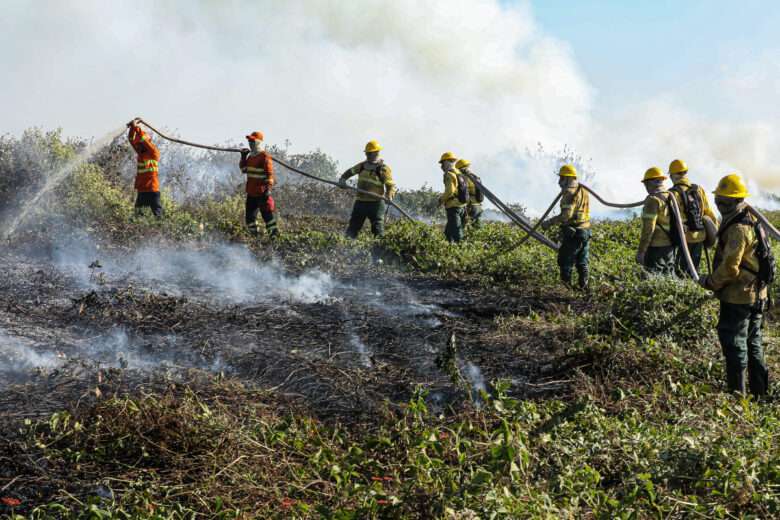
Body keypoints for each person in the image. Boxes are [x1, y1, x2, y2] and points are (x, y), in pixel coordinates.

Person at [698, 174, 770, 397]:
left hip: (740, 296)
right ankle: (760, 394)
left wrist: (710, 282)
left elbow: (730, 268)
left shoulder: (738, 229)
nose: (721, 207)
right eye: (719, 202)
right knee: (753, 342)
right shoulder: (751, 219)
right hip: (757, 294)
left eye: (726, 203)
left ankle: (737, 395)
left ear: (738, 201)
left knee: (735, 342)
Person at [542, 164, 591, 289]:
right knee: (582, 261)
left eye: (562, 178)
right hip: (585, 231)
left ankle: (566, 289)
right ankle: (583, 286)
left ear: (569, 178)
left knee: (565, 261)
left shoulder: (569, 193)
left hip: (573, 233)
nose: (559, 182)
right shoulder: (583, 190)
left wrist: (549, 223)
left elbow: (566, 216)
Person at [668, 159, 717, 276]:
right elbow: (708, 212)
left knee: (681, 272)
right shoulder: (698, 189)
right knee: (694, 269)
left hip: (682, 238)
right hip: (700, 236)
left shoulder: (671, 193)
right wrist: (714, 233)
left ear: (673, 175)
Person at [339, 140, 396, 239]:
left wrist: (389, 195)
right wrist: (342, 179)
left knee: (377, 230)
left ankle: (379, 250)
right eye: (367, 153)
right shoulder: (361, 166)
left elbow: (390, 185)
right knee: (352, 229)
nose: (368, 155)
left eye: (370, 153)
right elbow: (350, 171)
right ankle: (346, 248)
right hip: (360, 202)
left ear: (376, 153)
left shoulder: (383, 169)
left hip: (376, 204)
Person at [637, 167, 676, 274]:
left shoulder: (652, 200)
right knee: (669, 278)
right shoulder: (670, 196)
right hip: (669, 246)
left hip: (655, 248)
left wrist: (641, 252)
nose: (645, 187)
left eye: (645, 184)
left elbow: (648, 229)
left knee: (653, 279)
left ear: (650, 183)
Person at [240, 131, 278, 237]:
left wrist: (268, 190)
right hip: (251, 192)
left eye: (252, 141)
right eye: (249, 141)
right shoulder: (250, 157)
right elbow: (244, 170)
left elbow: (270, 174)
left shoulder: (265, 156)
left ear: (258, 142)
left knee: (268, 217)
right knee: (249, 218)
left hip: (262, 193)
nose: (250, 143)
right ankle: (255, 237)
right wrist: (243, 157)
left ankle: (274, 237)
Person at [127, 119, 162, 218]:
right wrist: (132, 129)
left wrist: (136, 127)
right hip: (142, 191)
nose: (138, 146)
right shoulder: (141, 153)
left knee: (158, 216)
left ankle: (163, 232)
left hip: (152, 190)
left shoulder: (154, 152)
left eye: (141, 144)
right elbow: (131, 140)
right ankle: (137, 232)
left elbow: (144, 139)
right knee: (137, 216)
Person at [438, 152, 467, 243]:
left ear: (447, 162)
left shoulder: (449, 174)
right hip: (462, 206)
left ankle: (462, 252)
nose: (442, 166)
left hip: (453, 207)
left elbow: (450, 190)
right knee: (448, 233)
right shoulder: (459, 173)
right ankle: (449, 251)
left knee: (457, 233)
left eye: (442, 163)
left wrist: (441, 199)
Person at [455, 158, 483, 228]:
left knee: (464, 227)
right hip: (478, 206)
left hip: (470, 206)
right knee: (478, 227)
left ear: (459, 169)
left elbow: (463, 192)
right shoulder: (476, 177)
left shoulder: (462, 178)